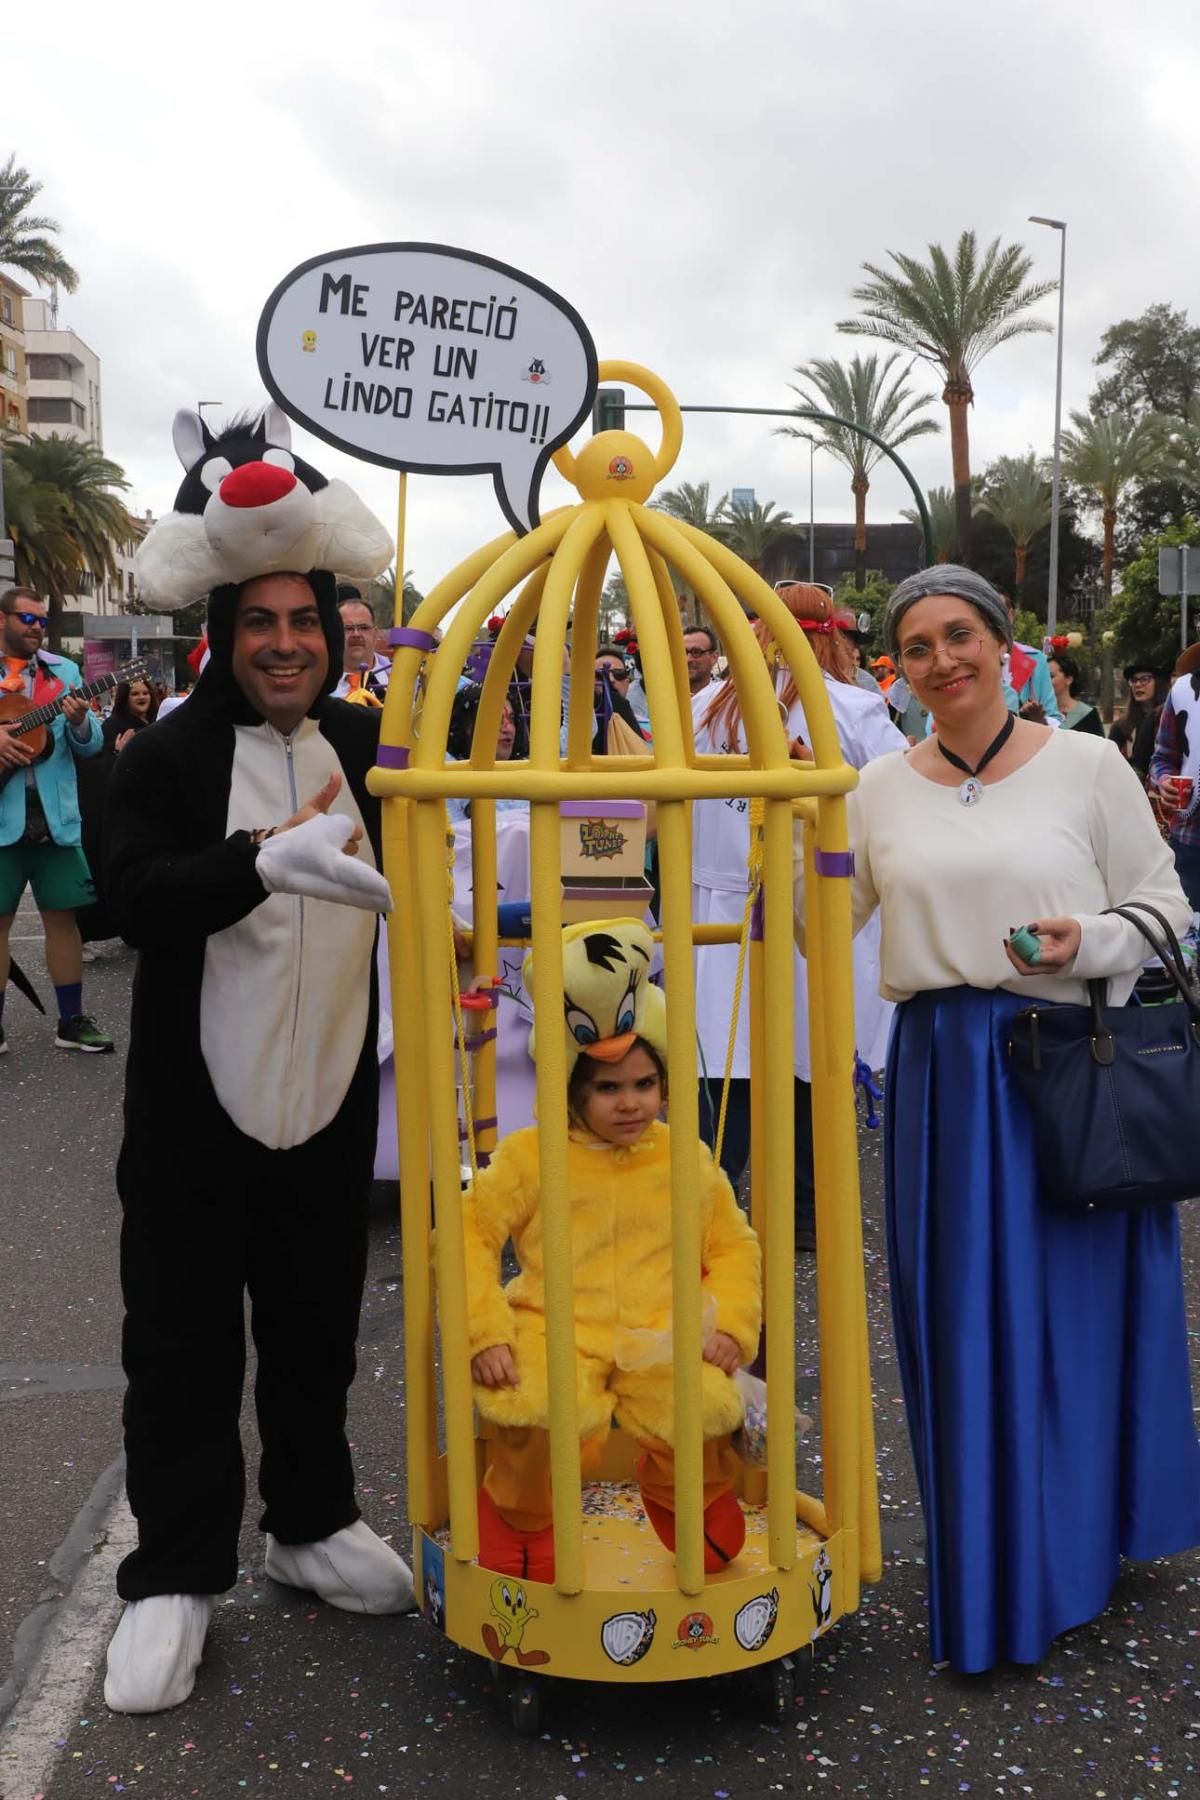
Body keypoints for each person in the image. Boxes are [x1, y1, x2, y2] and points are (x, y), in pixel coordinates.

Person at [810, 563, 1200, 1675]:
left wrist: (1093, 939)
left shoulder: (1086, 764)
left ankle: (1086, 1543)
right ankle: (996, 1560)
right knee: (966, 1322)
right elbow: (809, 928)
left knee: (1080, 1314)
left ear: (1005, 643)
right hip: (948, 1076)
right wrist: (778, 809)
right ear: (900, 668)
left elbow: (1169, 909)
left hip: (1074, 1056)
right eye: (918, 646)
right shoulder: (876, 785)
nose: (943, 661)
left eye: (960, 636)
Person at [101, 413, 408, 1716]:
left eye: (307, 621)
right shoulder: (162, 755)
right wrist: (250, 867)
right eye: (259, 623)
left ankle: (309, 1519)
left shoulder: (374, 750)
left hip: (332, 1102)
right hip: (191, 1117)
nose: (286, 643)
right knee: (178, 1346)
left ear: (334, 630)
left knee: (314, 1326)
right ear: (221, 634)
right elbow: (126, 897)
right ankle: (174, 1572)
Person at [462, 919, 761, 1582]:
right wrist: (483, 1332)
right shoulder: (531, 1156)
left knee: (703, 1404)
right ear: (571, 1087)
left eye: (645, 1084)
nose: (631, 1103)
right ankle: (519, 1513)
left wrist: (735, 1325)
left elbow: (733, 1243)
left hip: (660, 1323)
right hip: (555, 1321)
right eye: (607, 1087)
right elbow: (465, 1234)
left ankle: (688, 1494)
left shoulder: (684, 1155)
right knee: (534, 1402)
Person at [693, 582, 903, 1252]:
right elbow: (896, 799)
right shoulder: (853, 708)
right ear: (833, 636)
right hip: (815, 905)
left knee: (727, 1060)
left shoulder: (700, 707)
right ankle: (807, 1214)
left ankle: (711, 1212)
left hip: (721, 913)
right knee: (814, 1059)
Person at [0, 586, 113, 1054]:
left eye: (42, 621)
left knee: (63, 922)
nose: (37, 628)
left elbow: (89, 746)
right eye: (27, 620)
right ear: (2, 620)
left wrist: (82, 720)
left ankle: (71, 1020)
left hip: (54, 817)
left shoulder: (64, 672)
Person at [1149, 642, 1200, 910]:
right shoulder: (1182, 691)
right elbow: (1163, 757)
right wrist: (1166, 781)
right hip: (1192, 838)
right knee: (1188, 930)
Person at [1111, 662, 1168, 779]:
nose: (1138, 684)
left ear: (1158, 682)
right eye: (1134, 680)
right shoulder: (1121, 725)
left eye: (1145, 679)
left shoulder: (1168, 718)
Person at [332, 589, 391, 702]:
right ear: (335, 634)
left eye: (364, 628)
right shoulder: (317, 684)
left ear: (375, 634)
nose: (356, 634)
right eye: (348, 629)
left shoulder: (398, 677)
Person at [1047, 653, 1105, 736]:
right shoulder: (1037, 713)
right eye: (1043, 676)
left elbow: (1099, 747)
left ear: (1069, 679)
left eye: (1051, 676)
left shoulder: (1088, 714)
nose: (1045, 681)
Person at [102, 676, 159, 750]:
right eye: (135, 694)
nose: (141, 697)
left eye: (145, 693)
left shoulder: (159, 720)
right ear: (125, 698)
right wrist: (118, 751)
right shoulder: (111, 726)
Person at [682, 624, 720, 696]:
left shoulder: (727, 697)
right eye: (682, 652)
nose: (688, 659)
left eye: (696, 652)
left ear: (714, 657)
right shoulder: (661, 696)